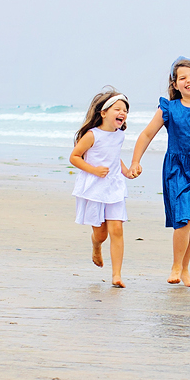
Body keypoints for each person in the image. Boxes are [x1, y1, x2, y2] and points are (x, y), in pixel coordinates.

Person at [125, 57, 190, 286]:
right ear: (175, 84)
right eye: (182, 78)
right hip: (176, 169)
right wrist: (135, 161)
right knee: (183, 218)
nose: (188, 81)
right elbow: (146, 134)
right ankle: (176, 266)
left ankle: (185, 268)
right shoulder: (169, 108)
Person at [70, 88, 134, 287]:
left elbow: (114, 156)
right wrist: (94, 170)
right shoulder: (91, 135)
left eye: (125, 110)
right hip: (95, 187)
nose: (122, 113)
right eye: (117, 109)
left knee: (117, 229)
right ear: (103, 113)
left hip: (114, 187)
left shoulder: (119, 136)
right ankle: (96, 245)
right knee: (101, 234)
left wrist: (127, 171)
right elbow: (74, 157)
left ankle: (117, 275)